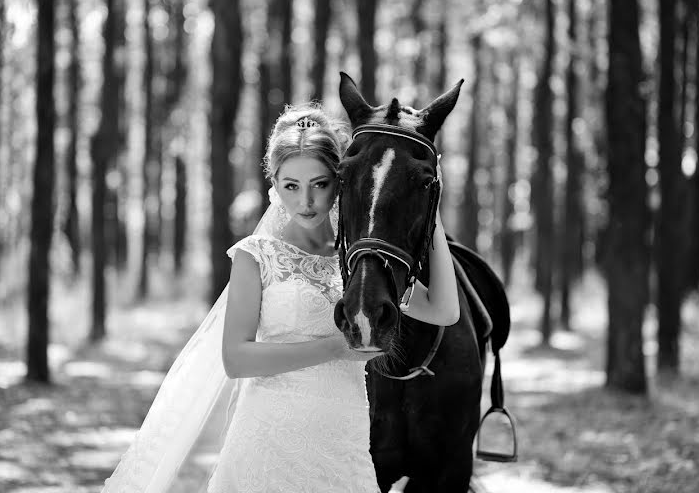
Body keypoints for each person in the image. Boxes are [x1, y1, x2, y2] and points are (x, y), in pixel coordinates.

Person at [101, 104, 459, 493]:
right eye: (292, 186)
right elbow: (236, 359)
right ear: (274, 184)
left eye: (320, 184)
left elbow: (443, 310)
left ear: (340, 182)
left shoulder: (360, 262)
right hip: (267, 442)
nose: (306, 201)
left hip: (344, 442)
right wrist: (334, 348)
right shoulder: (255, 255)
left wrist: (431, 209)